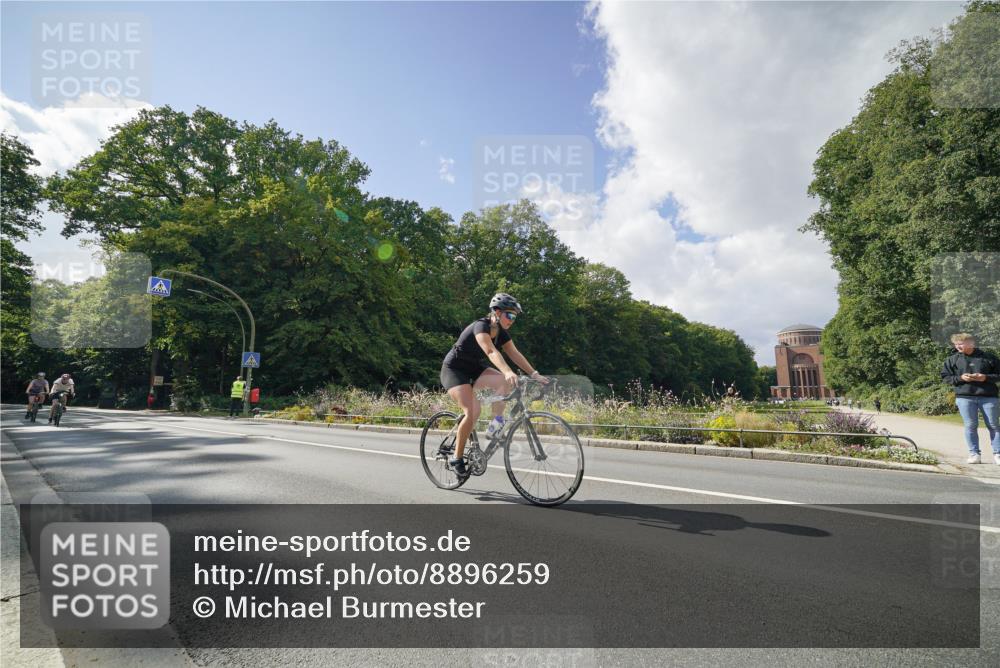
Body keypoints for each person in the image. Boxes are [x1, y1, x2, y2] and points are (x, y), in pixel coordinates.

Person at [440, 293, 548, 477]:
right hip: (455, 370)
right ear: (497, 312)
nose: (512, 320)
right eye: (510, 315)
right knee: (474, 411)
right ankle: (456, 457)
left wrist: (535, 374)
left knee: (502, 382)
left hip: (475, 368)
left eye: (515, 317)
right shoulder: (481, 326)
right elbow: (490, 351)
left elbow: (514, 354)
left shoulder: (502, 332)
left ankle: (494, 428)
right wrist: (507, 371)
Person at [941, 333, 1000, 465]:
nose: (958, 346)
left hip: (988, 396)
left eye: (960, 343)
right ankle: (974, 454)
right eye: (956, 344)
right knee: (970, 426)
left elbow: (998, 375)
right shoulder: (952, 359)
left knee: (994, 426)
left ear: (971, 343)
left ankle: (998, 454)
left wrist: (985, 377)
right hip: (964, 397)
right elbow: (945, 377)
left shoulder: (989, 358)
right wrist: (961, 378)